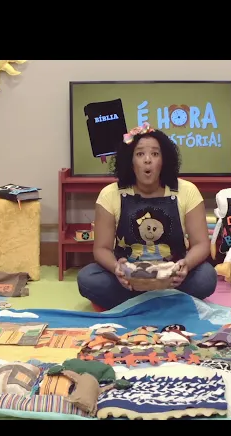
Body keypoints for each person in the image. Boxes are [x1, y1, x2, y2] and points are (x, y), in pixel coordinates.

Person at [77, 122, 217, 310]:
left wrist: (186, 265)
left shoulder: (187, 191)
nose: (148, 160)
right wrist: (116, 268)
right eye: (140, 154)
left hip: (172, 277)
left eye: (155, 154)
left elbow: (201, 244)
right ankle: (165, 301)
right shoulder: (110, 194)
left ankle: (139, 303)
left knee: (206, 277)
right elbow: (101, 248)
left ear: (164, 161)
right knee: (87, 278)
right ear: (130, 161)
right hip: (129, 279)